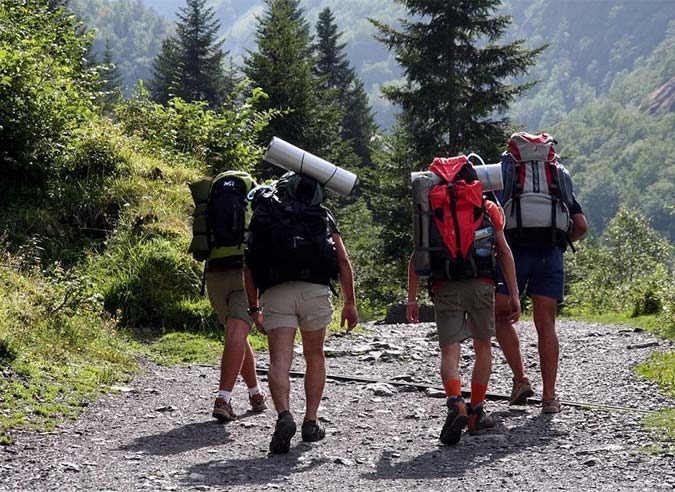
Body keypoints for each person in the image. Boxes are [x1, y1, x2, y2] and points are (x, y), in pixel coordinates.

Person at [407, 156, 521, 445]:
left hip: (445, 286)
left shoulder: (430, 209)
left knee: (450, 351)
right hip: (481, 285)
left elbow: (418, 254)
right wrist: (515, 293)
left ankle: (455, 402)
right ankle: (475, 412)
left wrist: (412, 299)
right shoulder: (487, 207)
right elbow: (504, 252)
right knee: (483, 347)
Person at [244, 172, 359, 454]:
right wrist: (350, 302)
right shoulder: (321, 214)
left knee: (279, 361)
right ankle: (311, 420)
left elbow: (248, 268)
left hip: (276, 292)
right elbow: (342, 260)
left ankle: (284, 416)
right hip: (315, 292)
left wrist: (254, 308)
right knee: (314, 355)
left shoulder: (267, 213)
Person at [495, 133, 588, 413]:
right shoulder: (557, 174)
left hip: (512, 251)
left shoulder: (506, 171)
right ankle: (549, 398)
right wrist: (560, 241)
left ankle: (521, 379)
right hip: (550, 252)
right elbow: (581, 225)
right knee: (546, 324)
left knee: (500, 316)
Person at [202, 172, 267, 422]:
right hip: (244, 271)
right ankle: (223, 399)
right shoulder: (254, 192)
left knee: (234, 334)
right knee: (237, 335)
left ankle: (255, 393)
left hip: (215, 272)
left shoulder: (212, 194)